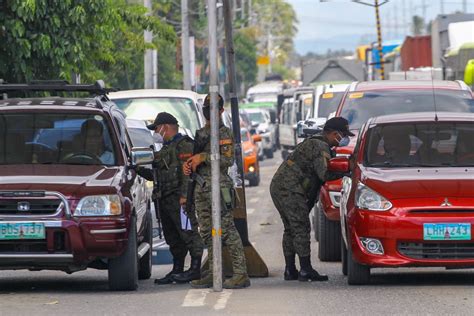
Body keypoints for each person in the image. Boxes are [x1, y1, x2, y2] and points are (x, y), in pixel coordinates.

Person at [270, 117, 354, 282]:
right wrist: (347, 170)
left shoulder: (318, 143)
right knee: (301, 227)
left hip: (281, 187)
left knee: (291, 228)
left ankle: (291, 269)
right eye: (342, 135)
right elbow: (324, 174)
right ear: (333, 134)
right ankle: (305, 269)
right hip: (289, 189)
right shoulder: (320, 146)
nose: (344, 139)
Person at [183, 93, 250, 289]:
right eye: (206, 108)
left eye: (212, 109)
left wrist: (202, 157)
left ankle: (240, 274)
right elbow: (194, 161)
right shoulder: (201, 133)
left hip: (219, 188)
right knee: (207, 232)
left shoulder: (224, 133)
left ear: (221, 110)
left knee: (227, 229)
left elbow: (228, 160)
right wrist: (188, 165)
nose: (208, 113)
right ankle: (214, 272)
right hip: (202, 188)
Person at [138, 112, 204, 284]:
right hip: (165, 199)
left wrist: (185, 197)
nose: (156, 133)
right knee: (173, 237)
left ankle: (196, 269)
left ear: (165, 127)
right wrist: (137, 169)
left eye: (157, 129)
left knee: (188, 233)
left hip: (179, 200)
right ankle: (177, 269)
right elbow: (158, 174)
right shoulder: (167, 148)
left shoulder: (185, 145)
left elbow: (188, 174)